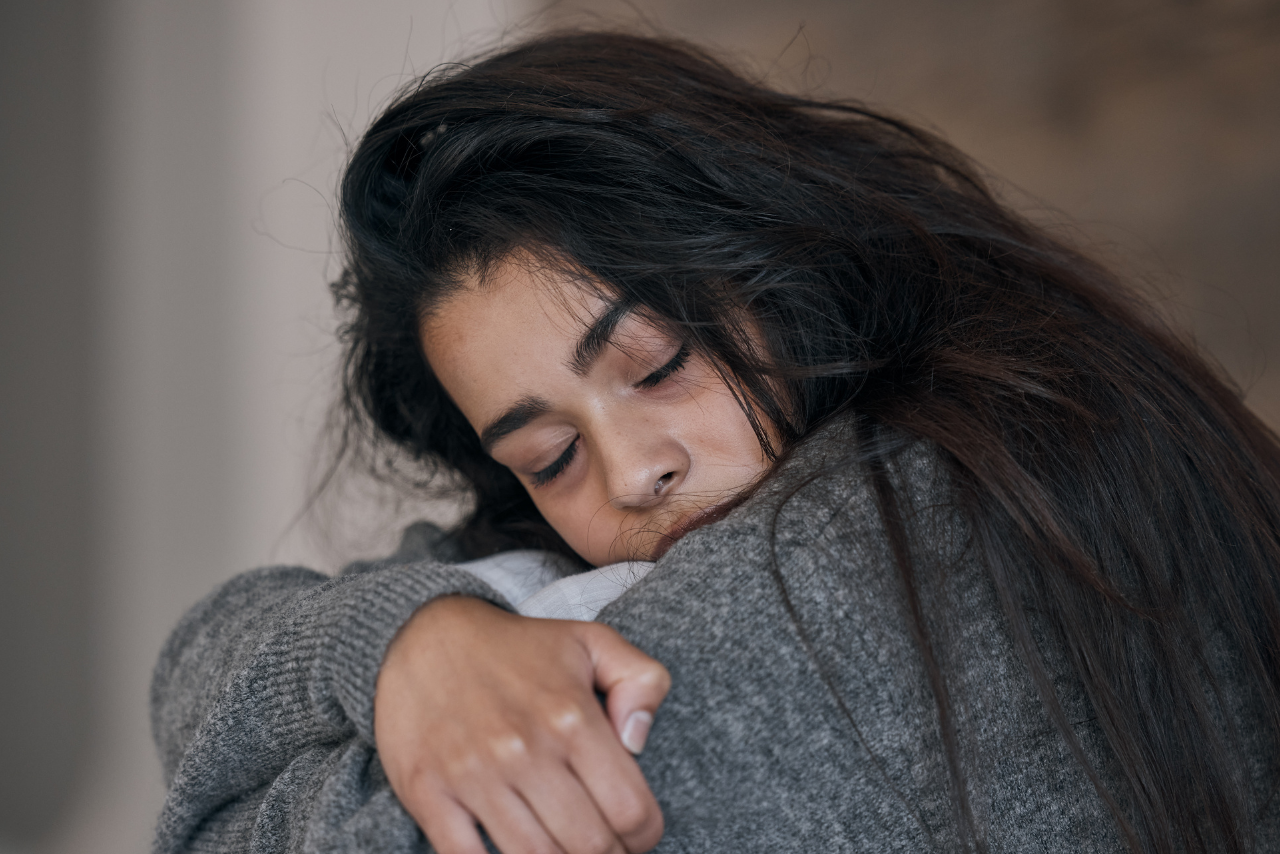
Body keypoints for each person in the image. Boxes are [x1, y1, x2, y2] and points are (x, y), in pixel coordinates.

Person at [150, 31, 1280, 854]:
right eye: (548, 458)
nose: (636, 470)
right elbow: (204, 651)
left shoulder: (894, 537)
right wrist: (408, 642)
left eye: (656, 366)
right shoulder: (1016, 429)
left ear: (778, 268)